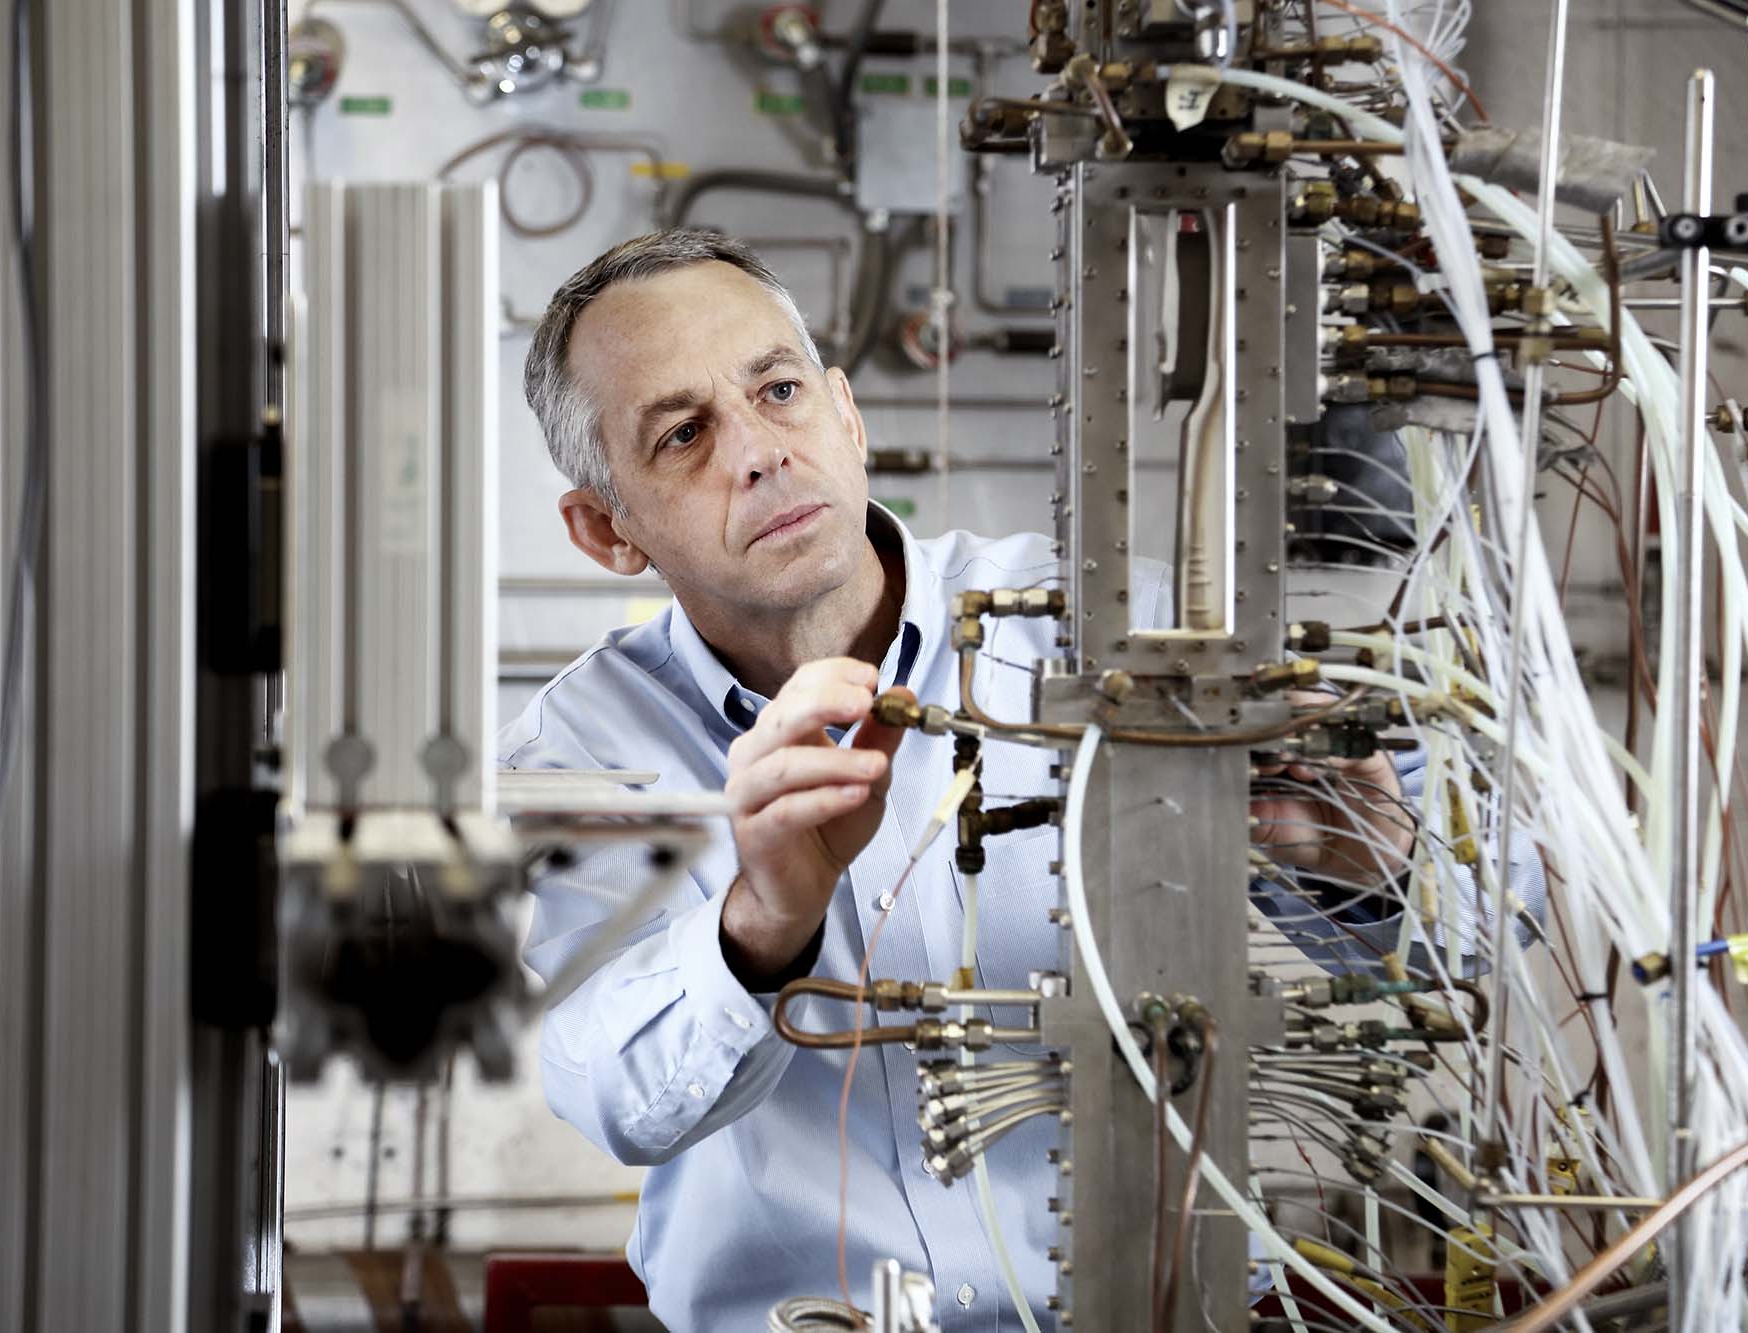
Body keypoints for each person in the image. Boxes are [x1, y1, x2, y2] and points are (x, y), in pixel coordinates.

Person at [501, 228, 1543, 1331]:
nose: (758, 449)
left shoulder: (1125, 632)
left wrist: (1367, 866)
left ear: (845, 414)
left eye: (777, 389)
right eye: (683, 432)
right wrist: (760, 923)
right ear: (605, 528)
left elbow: (1485, 940)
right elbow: (608, 1093)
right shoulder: (580, 748)